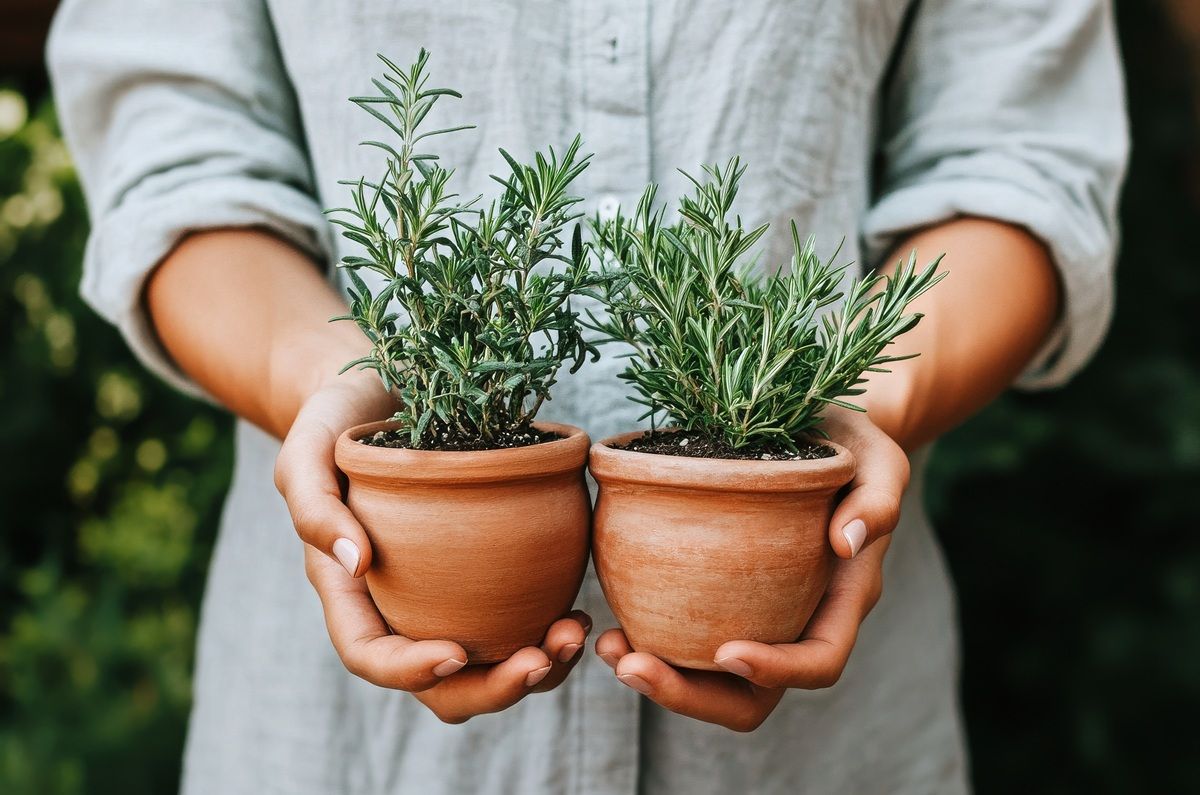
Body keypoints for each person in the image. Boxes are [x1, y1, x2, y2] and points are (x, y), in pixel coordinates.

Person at [47, 1, 1127, 792]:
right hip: (346, 748)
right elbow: (177, 150)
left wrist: (850, 405)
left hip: (834, 744)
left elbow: (1021, 160)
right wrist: (333, 385)